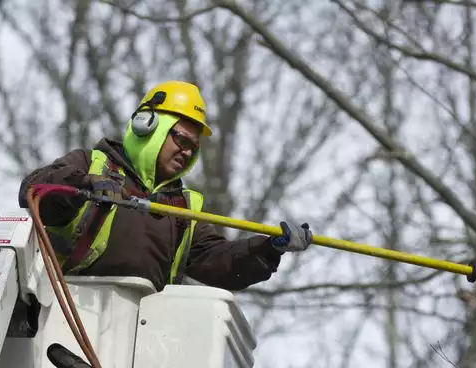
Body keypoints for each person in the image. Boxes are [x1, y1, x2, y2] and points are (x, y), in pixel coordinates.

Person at [18, 81, 312, 292]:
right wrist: (87, 186)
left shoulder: (181, 206)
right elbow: (36, 191)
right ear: (148, 127)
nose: (186, 152)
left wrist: (268, 247)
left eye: (193, 148)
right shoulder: (91, 164)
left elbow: (217, 262)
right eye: (181, 140)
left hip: (145, 329)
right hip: (68, 308)